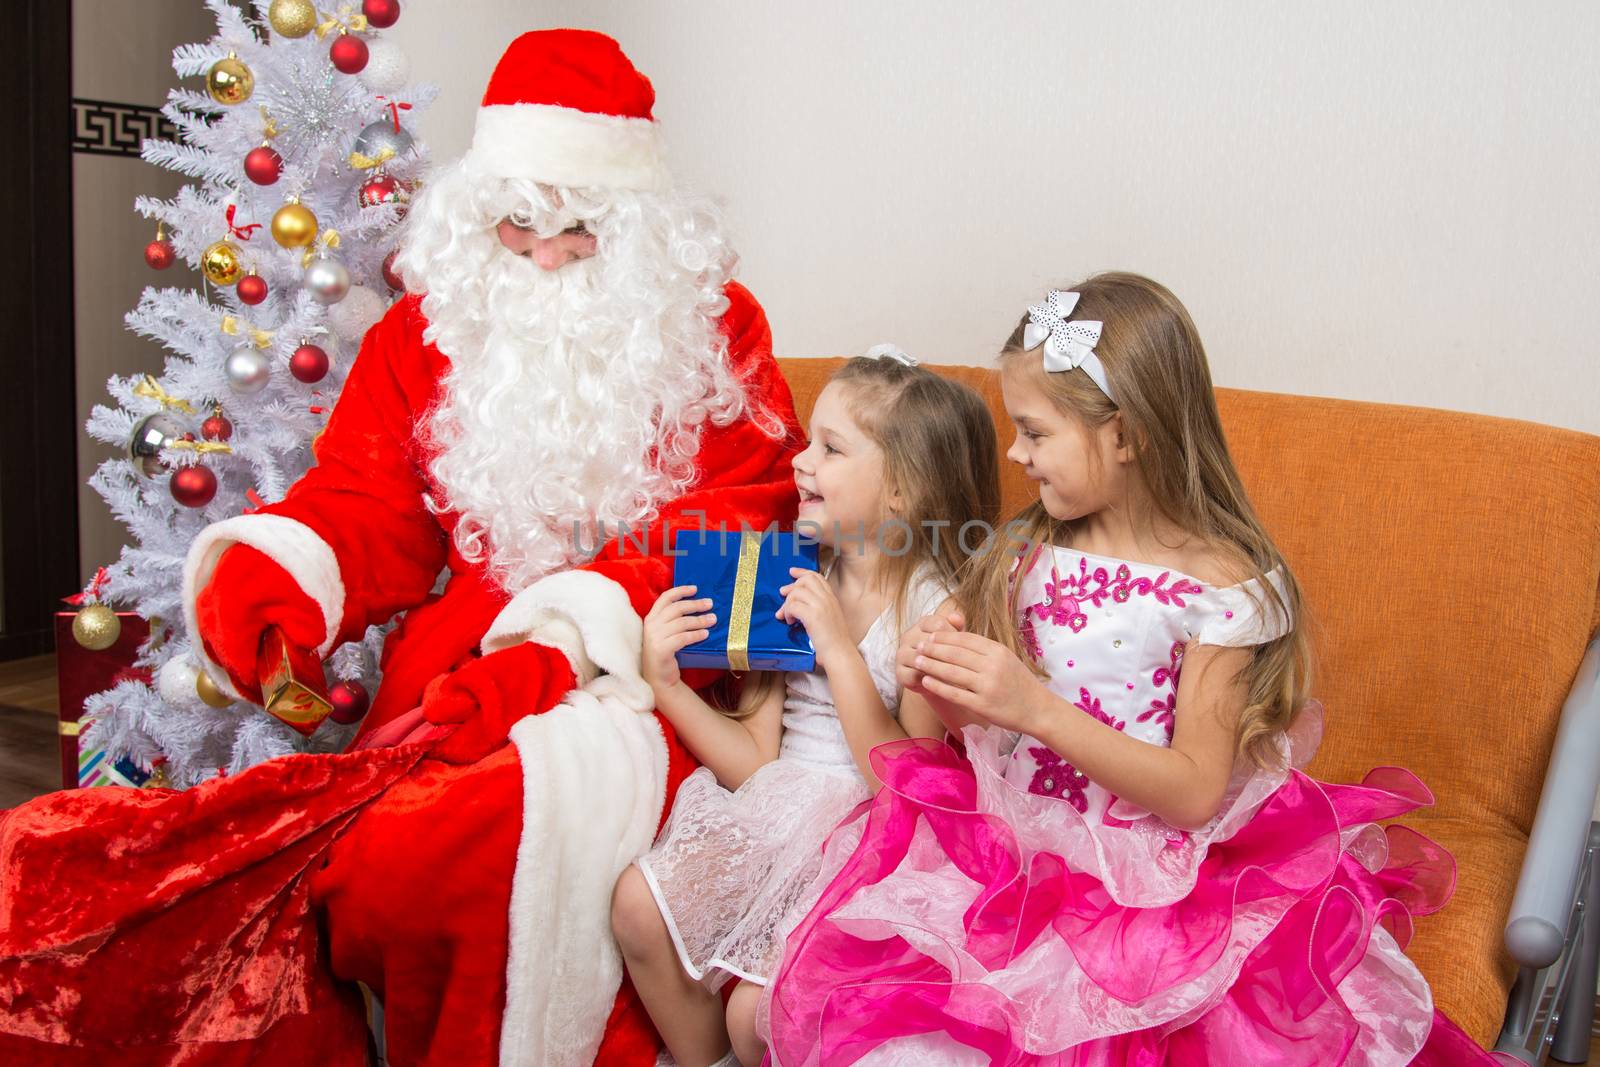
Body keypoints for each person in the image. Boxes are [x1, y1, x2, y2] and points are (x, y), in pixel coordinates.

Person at [0, 30, 801, 1067]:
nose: (545, 255)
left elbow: (754, 520)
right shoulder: (425, 331)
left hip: (656, 661)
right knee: (382, 863)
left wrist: (573, 631)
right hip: (465, 665)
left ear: (641, 226)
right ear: (483, 210)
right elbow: (366, 498)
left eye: (581, 229)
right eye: (519, 222)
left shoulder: (714, 325)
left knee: (448, 852)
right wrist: (282, 567)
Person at [761, 274, 1498, 1065]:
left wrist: (1033, 707)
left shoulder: (1224, 586)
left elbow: (1192, 790)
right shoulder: (1024, 547)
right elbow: (975, 725)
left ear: (1125, 434)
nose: (1015, 453)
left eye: (1036, 434)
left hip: (1154, 884)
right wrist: (943, 677)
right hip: (1014, 854)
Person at [610, 351, 1000, 1067]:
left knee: (755, 1012)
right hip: (776, 810)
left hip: (871, 838)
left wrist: (842, 653)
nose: (800, 461)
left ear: (902, 491)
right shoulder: (788, 575)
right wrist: (662, 680)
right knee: (638, 904)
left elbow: (908, 783)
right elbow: (758, 759)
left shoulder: (933, 606)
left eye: (831, 447)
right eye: (808, 440)